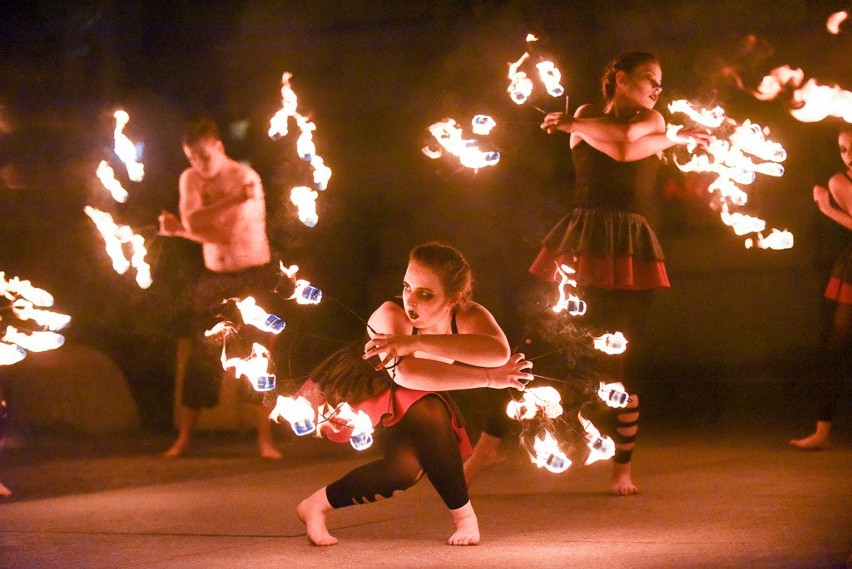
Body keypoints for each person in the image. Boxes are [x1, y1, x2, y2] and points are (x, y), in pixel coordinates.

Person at [464, 52, 710, 495]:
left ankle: (622, 469)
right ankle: (487, 448)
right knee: (536, 346)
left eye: (661, 82)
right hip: (581, 242)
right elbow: (617, 141)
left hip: (631, 249)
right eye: (649, 78)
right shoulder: (587, 114)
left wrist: (662, 136)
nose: (658, 88)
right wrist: (581, 125)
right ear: (618, 78)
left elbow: (624, 144)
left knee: (623, 357)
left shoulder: (651, 120)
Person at [295, 242, 532, 546]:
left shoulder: (469, 315)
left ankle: (315, 505)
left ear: (455, 298)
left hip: (411, 394)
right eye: (407, 287)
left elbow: (498, 353)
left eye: (426, 294)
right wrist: (488, 379)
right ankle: (465, 517)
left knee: (402, 472)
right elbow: (405, 374)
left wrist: (415, 343)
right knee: (431, 410)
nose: (411, 301)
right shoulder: (389, 314)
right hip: (364, 390)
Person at [158, 118, 283, 460]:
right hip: (215, 278)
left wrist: (181, 230)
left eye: (202, 155)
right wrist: (220, 207)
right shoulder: (191, 178)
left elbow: (221, 232)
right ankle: (184, 439)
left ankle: (265, 440)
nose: (198, 163)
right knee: (202, 356)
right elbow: (197, 223)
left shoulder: (246, 179)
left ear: (218, 147)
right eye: (191, 157)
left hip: (252, 275)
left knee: (260, 355)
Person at [790, 124, 852, 450]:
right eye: (843, 149)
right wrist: (828, 210)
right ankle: (823, 431)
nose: (849, 156)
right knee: (837, 347)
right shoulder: (839, 181)